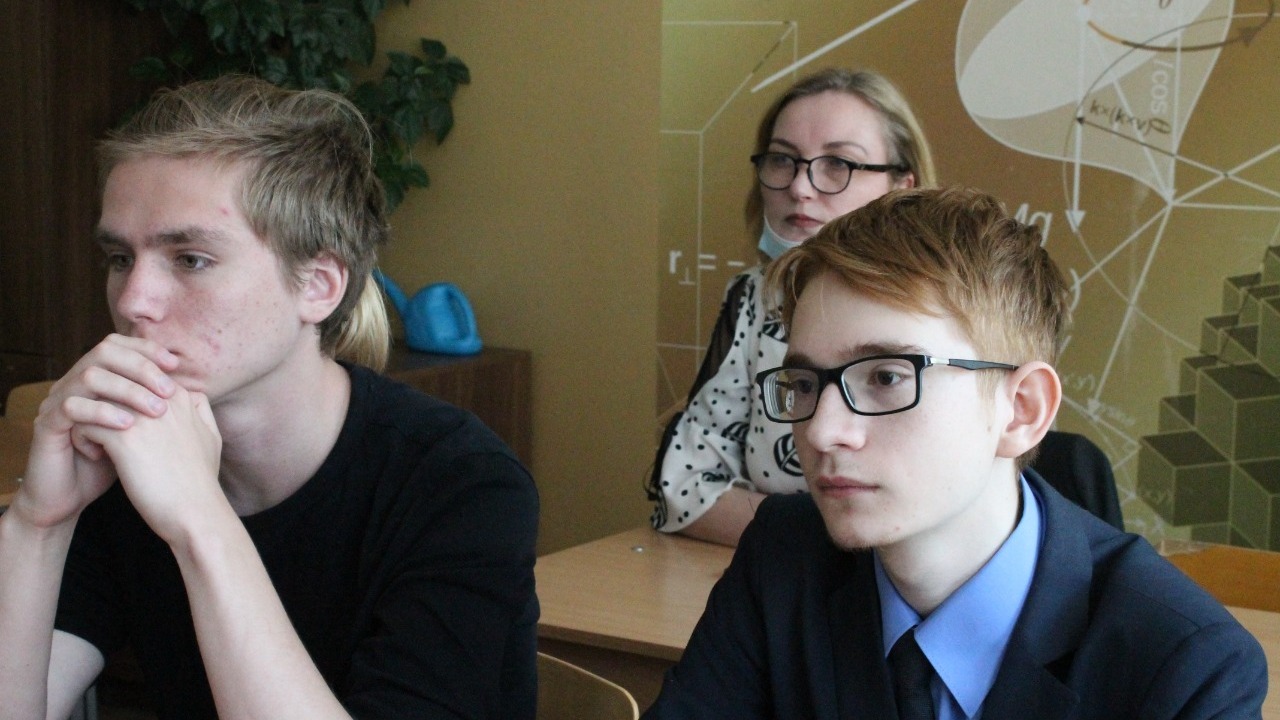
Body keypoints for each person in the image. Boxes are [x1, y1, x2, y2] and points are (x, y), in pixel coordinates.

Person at [0, 76, 539, 720]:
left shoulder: (462, 484)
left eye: (190, 259)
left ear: (317, 286)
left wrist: (199, 521)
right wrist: (38, 522)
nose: (133, 300)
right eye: (120, 258)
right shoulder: (126, 464)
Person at [643, 186, 1267, 719]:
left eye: (887, 377)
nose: (823, 431)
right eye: (805, 384)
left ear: (1021, 411)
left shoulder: (1186, 667)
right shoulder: (785, 557)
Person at [648, 68, 935, 546]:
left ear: (901, 187)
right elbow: (682, 487)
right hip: (788, 576)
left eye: (838, 163)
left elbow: (940, 511)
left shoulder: (946, 312)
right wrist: (825, 543)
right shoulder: (756, 297)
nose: (801, 187)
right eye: (783, 160)